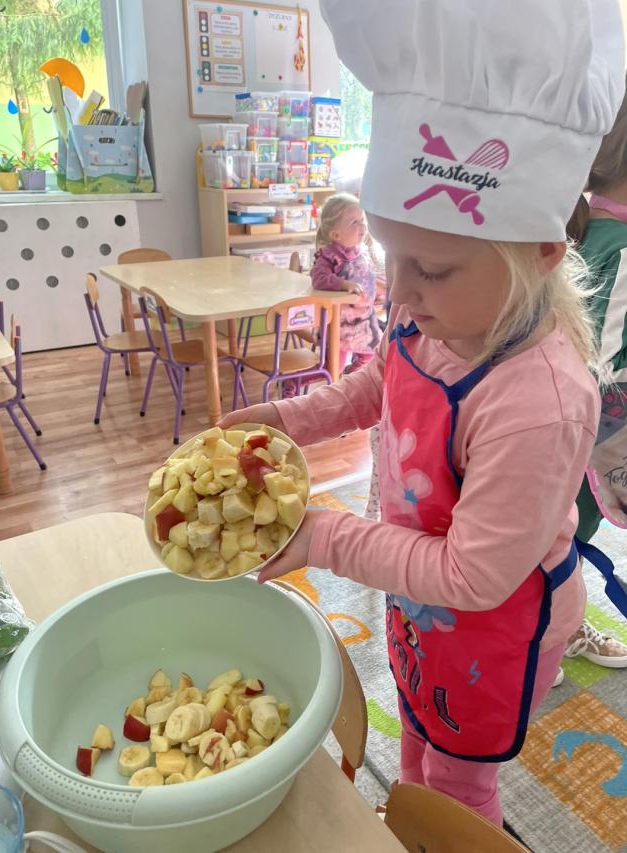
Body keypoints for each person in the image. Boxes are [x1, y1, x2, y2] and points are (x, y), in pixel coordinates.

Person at [221, 0, 626, 826]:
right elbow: (382, 383)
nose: (400, 294)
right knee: (414, 727)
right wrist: (289, 419)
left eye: (431, 270)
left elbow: (474, 575)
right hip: (419, 594)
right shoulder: (434, 313)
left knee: (458, 783)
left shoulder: (539, 402)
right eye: (390, 258)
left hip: (492, 623)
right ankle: (410, 819)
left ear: (542, 253)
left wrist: (321, 536)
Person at [560, 88, 627, 670]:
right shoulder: (621, 246)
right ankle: (551, 633)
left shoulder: (590, 229)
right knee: (567, 534)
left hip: (570, 429)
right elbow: (604, 368)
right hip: (590, 438)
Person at [310, 193, 381, 374]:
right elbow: (319, 278)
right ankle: (293, 383)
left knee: (370, 355)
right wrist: (343, 284)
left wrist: (380, 289)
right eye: (354, 222)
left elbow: (367, 278)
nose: (362, 226)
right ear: (336, 234)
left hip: (363, 322)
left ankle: (350, 379)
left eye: (362, 220)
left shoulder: (362, 252)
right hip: (338, 326)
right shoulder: (330, 256)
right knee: (333, 369)